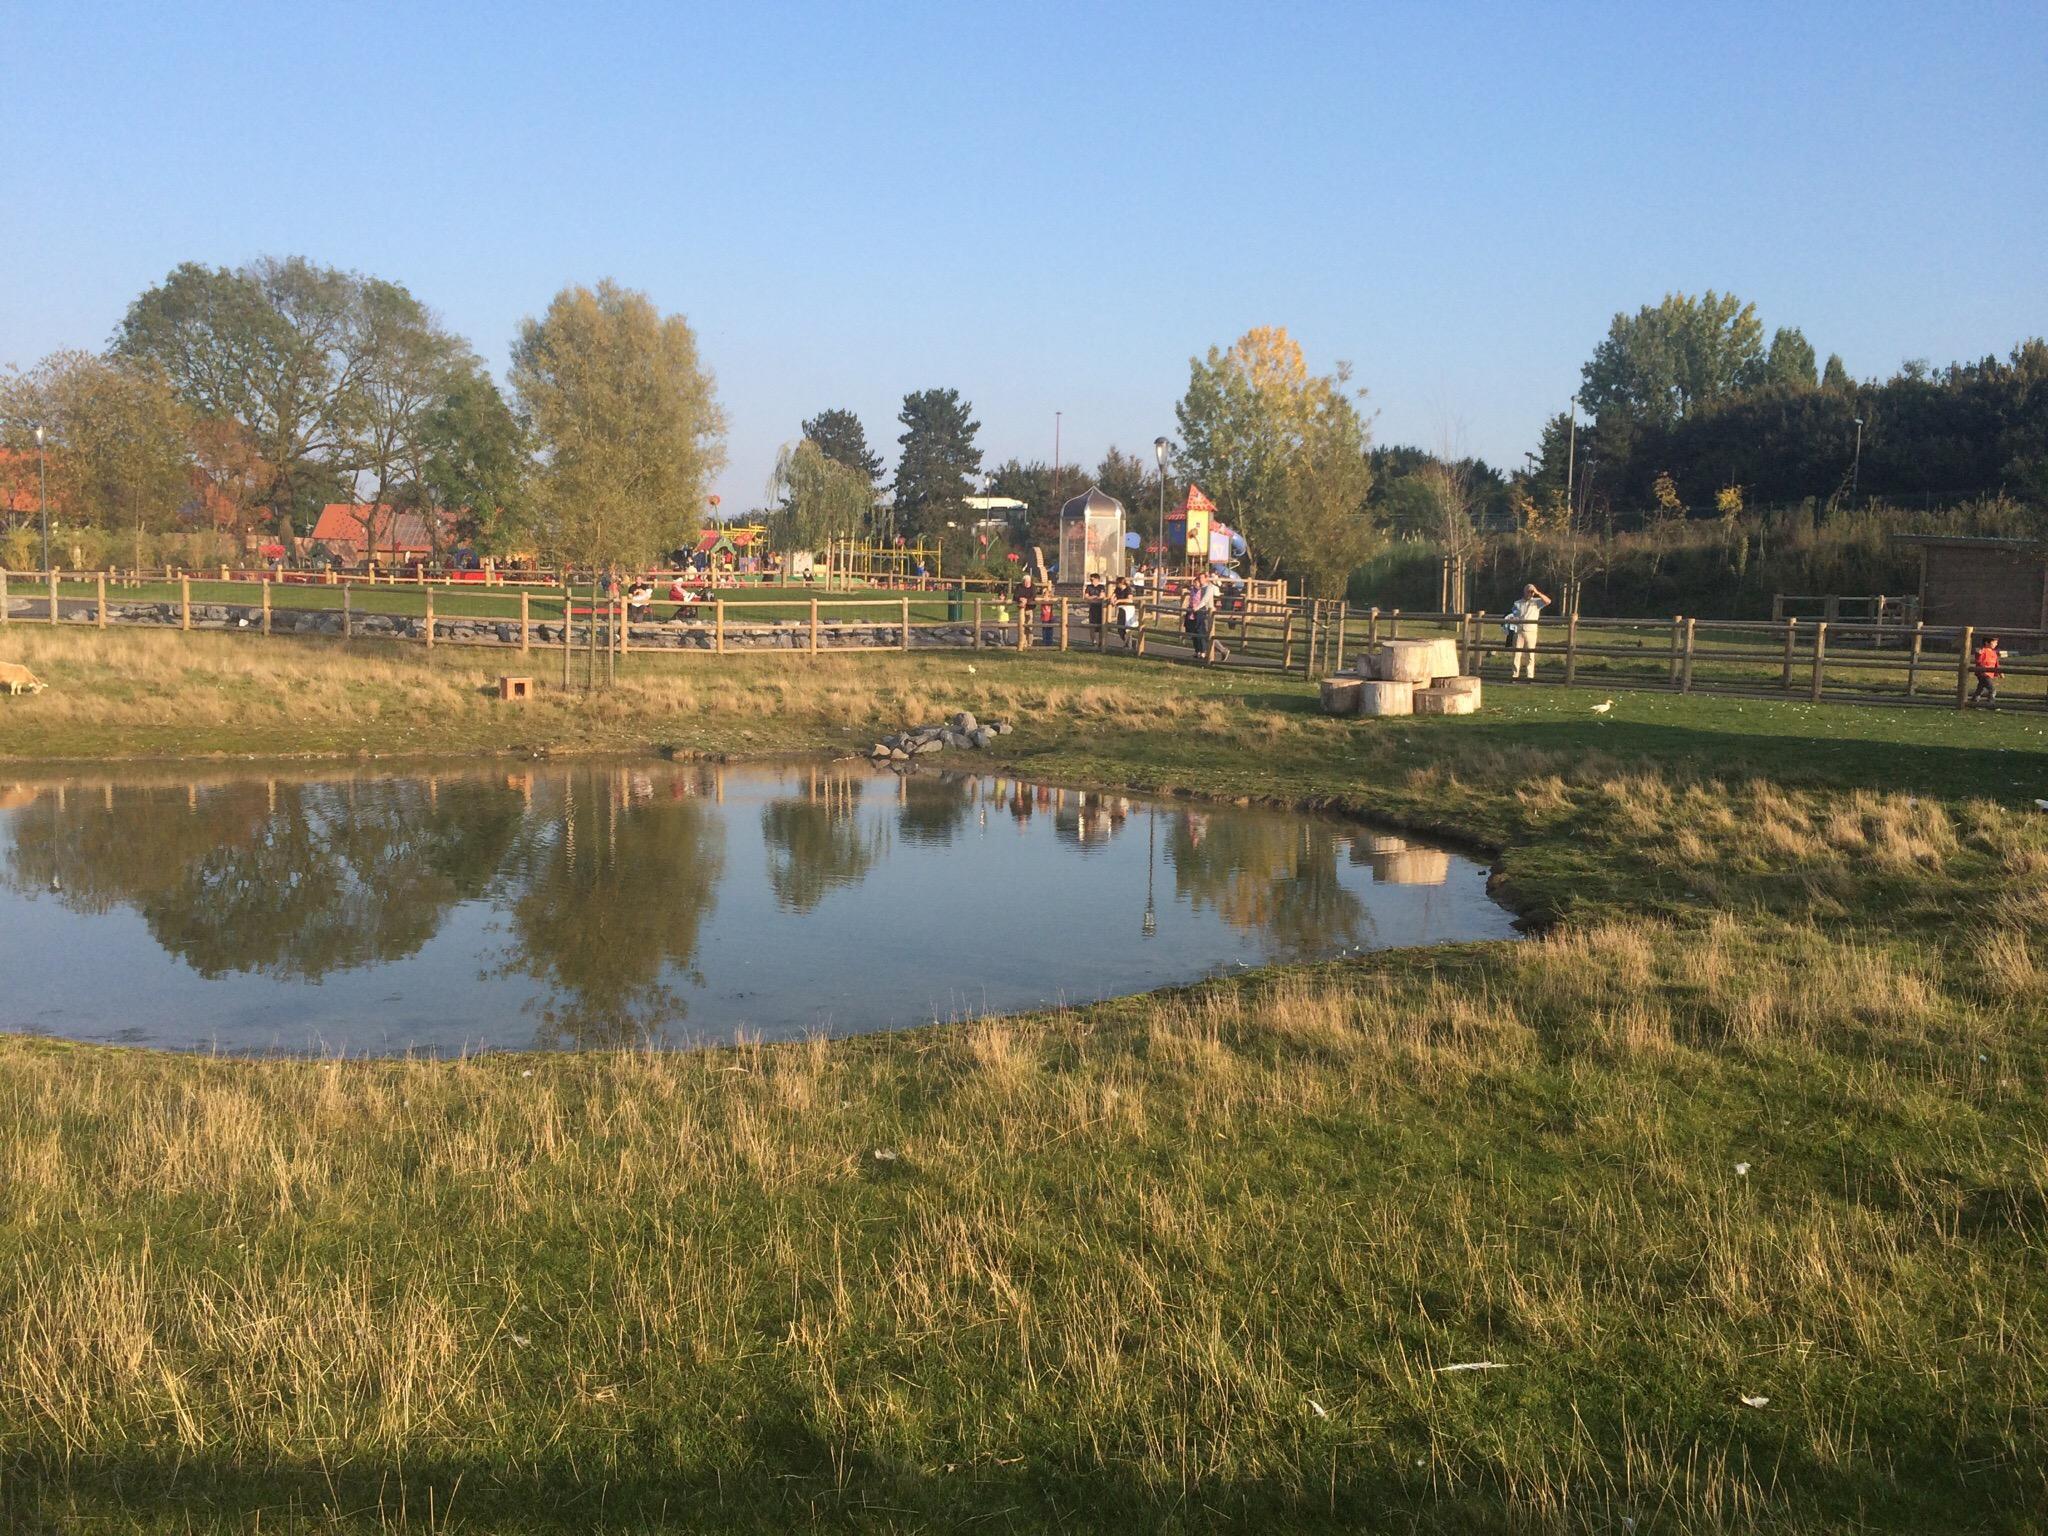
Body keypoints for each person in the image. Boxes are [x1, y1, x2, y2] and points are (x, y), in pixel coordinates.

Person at [1506, 583, 1552, 680]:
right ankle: (1514, 675)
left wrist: (1537, 592)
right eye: (1528, 591)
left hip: (1531, 631)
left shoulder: (1537, 602)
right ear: (1524, 591)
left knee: (1530, 654)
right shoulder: (1517, 603)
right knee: (1516, 654)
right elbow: (1513, 614)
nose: (1529, 593)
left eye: (1531, 592)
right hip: (1519, 631)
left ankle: (1530, 676)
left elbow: (1548, 601)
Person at [1971, 635, 2005, 706]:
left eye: (1996, 642)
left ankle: (1973, 703)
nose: (1996, 644)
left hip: (1989, 674)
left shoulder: (1994, 652)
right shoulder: (1983, 651)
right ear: (1987, 643)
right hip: (1983, 674)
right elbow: (1978, 661)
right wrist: (1978, 654)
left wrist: (1999, 672)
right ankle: (1990, 704)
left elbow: (1996, 663)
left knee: (1980, 689)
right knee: (1992, 689)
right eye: (1994, 642)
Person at [1112, 574, 1136, 648]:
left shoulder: (1128, 589)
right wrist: (1112, 600)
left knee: (1127, 627)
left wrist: (1119, 600)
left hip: (1128, 609)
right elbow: (1113, 595)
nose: (1116, 585)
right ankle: (1128, 642)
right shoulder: (1117, 589)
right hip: (1121, 609)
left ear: (1121, 583)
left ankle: (1128, 644)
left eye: (1117, 583)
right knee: (1120, 628)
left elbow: (1130, 599)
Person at [1084, 572, 1107, 645]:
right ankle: (1093, 641)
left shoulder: (1101, 587)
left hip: (1100, 608)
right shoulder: (1089, 587)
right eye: (1090, 579)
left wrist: (1093, 597)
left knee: (1101, 625)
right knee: (1092, 625)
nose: (1091, 580)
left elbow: (1102, 596)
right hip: (1092, 608)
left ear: (1097, 579)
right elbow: (1086, 597)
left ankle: (1101, 642)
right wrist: (1094, 597)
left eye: (1092, 579)